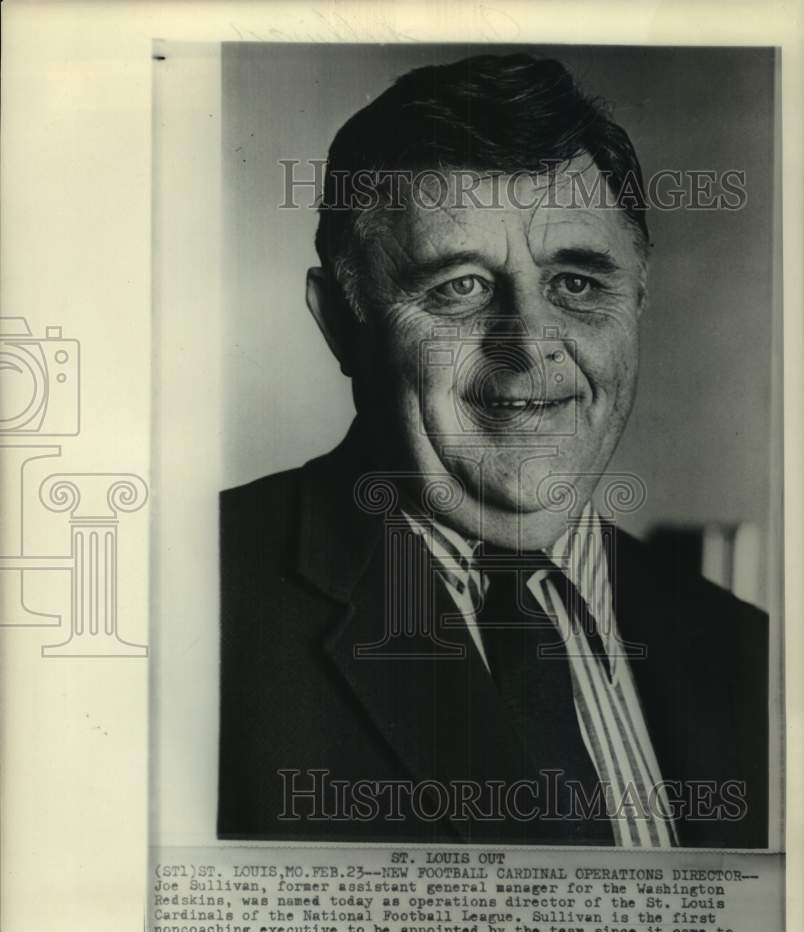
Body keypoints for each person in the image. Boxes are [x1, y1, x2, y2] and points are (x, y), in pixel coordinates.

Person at [218, 54, 768, 847]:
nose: (529, 347)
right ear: (341, 322)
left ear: (637, 303)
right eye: (460, 287)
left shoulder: (749, 657)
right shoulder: (186, 610)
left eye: (577, 283)